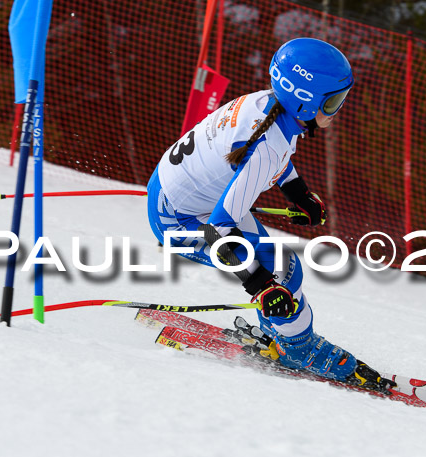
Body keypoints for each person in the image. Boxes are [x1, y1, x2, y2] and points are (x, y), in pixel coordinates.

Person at [147, 37, 395, 392]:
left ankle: (277, 332)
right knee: (280, 275)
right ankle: (299, 350)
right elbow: (219, 230)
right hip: (180, 220)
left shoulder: (269, 106)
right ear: (308, 103)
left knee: (282, 269)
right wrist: (260, 285)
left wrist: (301, 194)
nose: (338, 109)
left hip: (186, 197)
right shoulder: (267, 144)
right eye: (335, 101)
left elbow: (274, 158)